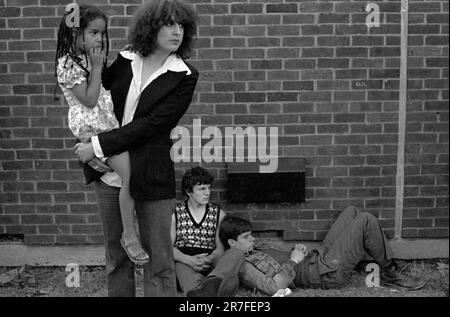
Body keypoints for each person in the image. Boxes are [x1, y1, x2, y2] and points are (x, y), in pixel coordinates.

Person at [74, 0, 199, 296]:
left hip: (151, 173)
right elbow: (94, 102)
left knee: (159, 261)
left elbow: (152, 125)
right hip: (108, 172)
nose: (176, 31)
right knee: (117, 258)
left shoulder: (184, 75)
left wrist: (98, 145)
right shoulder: (125, 58)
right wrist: (89, 144)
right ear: (150, 27)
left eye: (181, 26)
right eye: (169, 24)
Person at [55, 5, 150, 266]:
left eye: (102, 33)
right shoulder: (68, 64)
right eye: (93, 32)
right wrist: (97, 67)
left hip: (106, 128)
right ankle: (129, 235)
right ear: (75, 33)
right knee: (129, 173)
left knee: (128, 173)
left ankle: (97, 163)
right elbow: (89, 98)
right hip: (94, 130)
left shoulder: (85, 59)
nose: (99, 39)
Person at [215, 206, 426, 296]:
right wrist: (294, 261)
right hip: (325, 273)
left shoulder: (253, 249)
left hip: (318, 257)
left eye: (251, 235)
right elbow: (272, 287)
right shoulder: (243, 266)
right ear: (232, 243)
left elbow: (280, 258)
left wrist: (296, 251)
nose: (253, 239)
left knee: (351, 211)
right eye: (246, 237)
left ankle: (387, 263)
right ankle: (391, 272)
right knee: (366, 220)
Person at [171, 167, 232, 296]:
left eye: (209, 188)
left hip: (209, 260)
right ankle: (200, 291)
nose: (207, 193)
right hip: (185, 260)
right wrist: (189, 260)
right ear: (189, 191)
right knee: (180, 269)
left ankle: (211, 283)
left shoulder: (218, 214)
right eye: (202, 189)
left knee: (234, 256)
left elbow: (220, 249)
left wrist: (209, 259)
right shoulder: (176, 213)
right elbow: (169, 248)